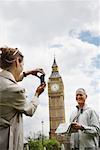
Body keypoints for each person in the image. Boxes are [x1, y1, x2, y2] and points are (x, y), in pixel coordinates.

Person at [0, 47, 46, 150]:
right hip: (7, 141)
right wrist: (37, 94)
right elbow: (30, 110)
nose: (22, 68)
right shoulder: (15, 90)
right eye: (22, 65)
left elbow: (11, 78)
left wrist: (27, 73)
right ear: (17, 61)